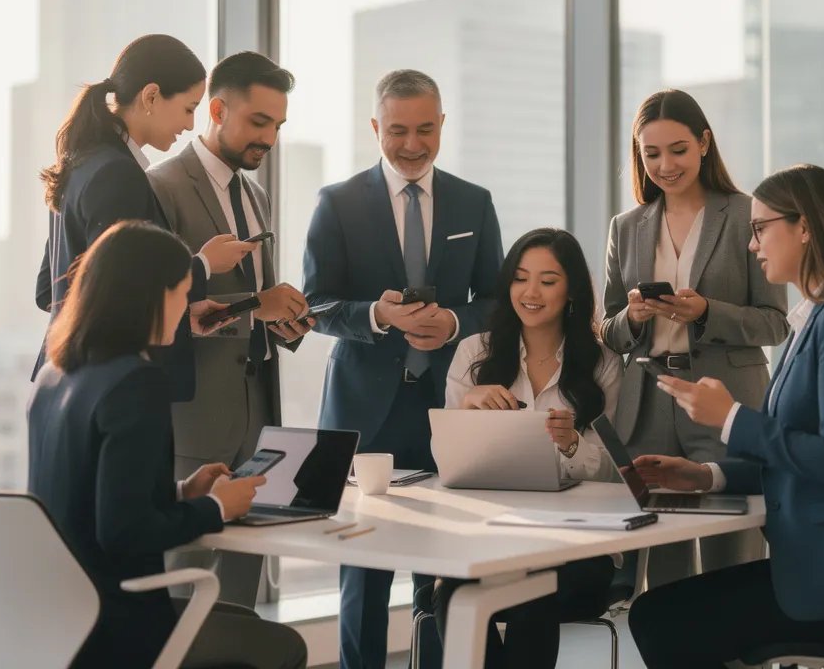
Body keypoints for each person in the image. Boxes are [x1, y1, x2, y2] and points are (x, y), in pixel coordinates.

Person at [626, 164, 824, 669]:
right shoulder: (818, 320)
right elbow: (800, 454)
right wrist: (706, 475)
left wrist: (731, 417)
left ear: (804, 228)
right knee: (654, 612)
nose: (751, 245)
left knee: (660, 619)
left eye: (759, 229)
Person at [27, 220, 307, 669]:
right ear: (152, 296)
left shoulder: (52, 379)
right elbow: (124, 532)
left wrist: (182, 492)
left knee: (241, 622)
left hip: (59, 618)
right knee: (285, 647)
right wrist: (217, 507)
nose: (185, 308)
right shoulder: (135, 384)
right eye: (182, 293)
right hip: (118, 626)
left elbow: (89, 502)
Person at [303, 69, 504, 669]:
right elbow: (316, 307)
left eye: (424, 129)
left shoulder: (475, 201)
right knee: (361, 570)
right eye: (397, 131)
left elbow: (497, 301)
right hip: (363, 411)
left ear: (442, 124)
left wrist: (454, 325)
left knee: (443, 568)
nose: (412, 145)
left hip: (447, 408)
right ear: (375, 127)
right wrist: (378, 316)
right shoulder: (337, 203)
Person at [600, 89, 786, 585]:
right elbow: (609, 329)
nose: (665, 165)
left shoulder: (747, 212)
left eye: (678, 149)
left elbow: (775, 322)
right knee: (663, 567)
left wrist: (707, 313)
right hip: (649, 404)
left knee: (734, 558)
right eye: (651, 153)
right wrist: (634, 318)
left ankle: (743, 662)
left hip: (725, 400)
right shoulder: (627, 227)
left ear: (704, 142)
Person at [148, 51, 313, 607]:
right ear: (216, 110)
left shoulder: (256, 194)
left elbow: (255, 302)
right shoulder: (162, 187)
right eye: (259, 122)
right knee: (181, 577)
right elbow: (161, 314)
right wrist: (253, 306)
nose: (269, 138)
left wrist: (285, 319)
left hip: (259, 417)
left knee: (245, 588)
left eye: (278, 125)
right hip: (194, 422)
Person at [433, 228, 620, 669]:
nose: (530, 292)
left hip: (579, 546)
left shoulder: (603, 363)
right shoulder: (472, 354)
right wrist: (467, 410)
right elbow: (447, 464)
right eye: (520, 278)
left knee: (534, 590)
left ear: (571, 290)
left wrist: (573, 443)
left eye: (548, 281)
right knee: (451, 595)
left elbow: (616, 470)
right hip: (493, 536)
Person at [33, 34, 254, 401]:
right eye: (188, 108)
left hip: (69, 384)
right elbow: (120, 291)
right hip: (111, 388)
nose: (189, 125)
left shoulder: (83, 164)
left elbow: (50, 290)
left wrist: (181, 317)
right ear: (151, 96)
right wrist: (203, 265)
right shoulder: (117, 175)